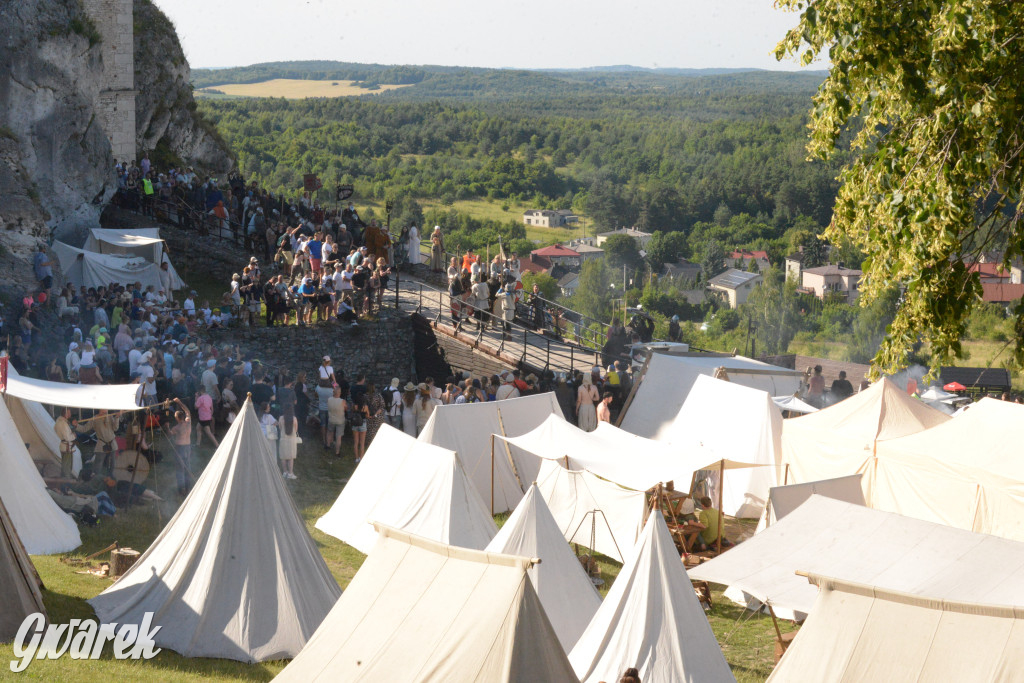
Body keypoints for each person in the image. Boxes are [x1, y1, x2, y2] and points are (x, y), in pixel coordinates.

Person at [168, 398, 194, 496]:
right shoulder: (188, 422)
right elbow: (187, 411)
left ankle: (181, 490)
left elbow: (170, 434)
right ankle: (187, 488)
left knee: (180, 469)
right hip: (188, 447)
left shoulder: (176, 427)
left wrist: (167, 427)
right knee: (187, 467)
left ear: (177, 418)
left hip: (180, 448)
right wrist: (179, 402)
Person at [54, 407, 79, 478]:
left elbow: (67, 433)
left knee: (66, 465)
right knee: (67, 467)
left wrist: (73, 427)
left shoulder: (60, 421)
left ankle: (65, 479)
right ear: (65, 414)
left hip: (65, 446)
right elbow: (67, 437)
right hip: (66, 447)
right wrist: (74, 436)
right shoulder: (63, 423)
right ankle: (66, 480)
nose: (70, 414)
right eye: (69, 413)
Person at [278, 404, 299, 479]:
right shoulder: (294, 419)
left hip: (283, 439)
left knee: (283, 456)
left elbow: (280, 428)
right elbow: (296, 429)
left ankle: (285, 472)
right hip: (292, 440)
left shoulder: (281, 418)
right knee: (291, 457)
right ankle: (290, 473)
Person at [326, 385, 347, 456]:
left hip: (331, 419)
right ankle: (337, 452)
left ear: (333, 392)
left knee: (329, 432)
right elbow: (346, 409)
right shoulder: (343, 401)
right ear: (340, 393)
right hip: (340, 421)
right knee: (338, 437)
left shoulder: (329, 399)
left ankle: (328, 445)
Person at [349, 391, 370, 462]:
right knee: (362, 443)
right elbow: (367, 416)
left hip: (355, 423)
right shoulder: (365, 407)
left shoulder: (354, 406)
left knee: (356, 442)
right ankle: (361, 458)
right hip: (362, 424)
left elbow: (351, 412)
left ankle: (356, 458)